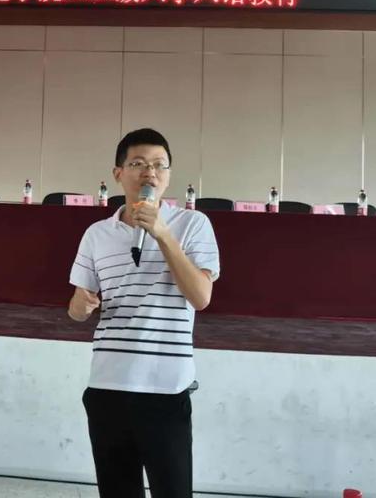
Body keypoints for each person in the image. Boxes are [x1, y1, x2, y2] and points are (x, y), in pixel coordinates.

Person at [68, 128, 220, 498]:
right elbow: (76, 309)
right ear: (118, 173)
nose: (150, 172)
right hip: (107, 386)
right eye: (138, 163)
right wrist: (82, 305)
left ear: (168, 175)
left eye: (159, 165)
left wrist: (163, 234)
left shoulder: (192, 225)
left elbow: (201, 297)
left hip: (165, 388)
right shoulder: (96, 234)